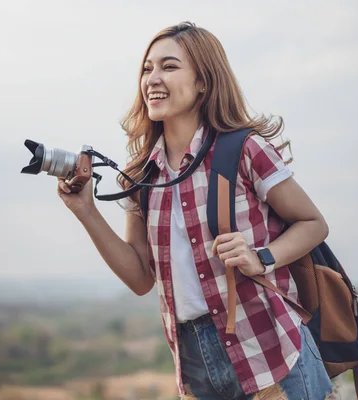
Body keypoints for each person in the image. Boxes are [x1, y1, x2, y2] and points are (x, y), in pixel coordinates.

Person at [57, 21, 335, 399]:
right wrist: (85, 210)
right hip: (194, 365)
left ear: (203, 81)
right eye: (147, 68)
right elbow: (141, 279)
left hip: (270, 349)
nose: (153, 78)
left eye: (169, 67)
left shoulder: (244, 149)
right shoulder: (141, 177)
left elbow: (313, 223)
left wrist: (261, 257)